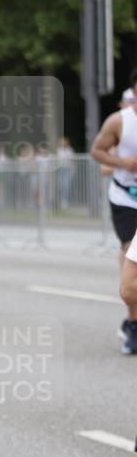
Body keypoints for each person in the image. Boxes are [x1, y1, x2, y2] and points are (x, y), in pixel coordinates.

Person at [91, 67, 137, 355]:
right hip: (126, 199)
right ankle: (133, 326)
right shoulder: (120, 122)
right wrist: (124, 163)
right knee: (131, 272)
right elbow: (97, 151)